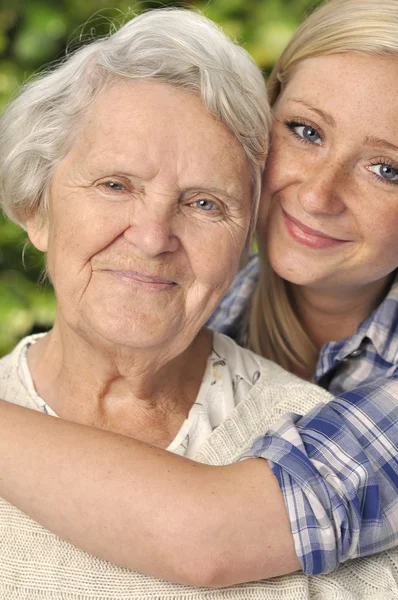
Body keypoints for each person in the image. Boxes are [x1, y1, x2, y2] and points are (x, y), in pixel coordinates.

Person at [0, 0, 398, 596]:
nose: (315, 196)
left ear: (236, 234)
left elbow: (209, 534)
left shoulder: (276, 393)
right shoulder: (227, 301)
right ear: (36, 207)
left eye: (388, 169)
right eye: (306, 131)